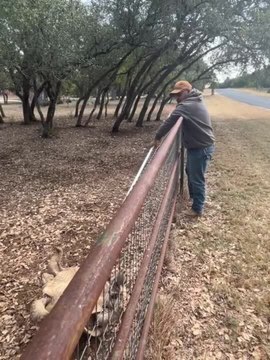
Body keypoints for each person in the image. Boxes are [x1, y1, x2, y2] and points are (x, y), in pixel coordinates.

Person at [154, 80, 215, 217]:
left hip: (201, 148)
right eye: (175, 95)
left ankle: (197, 209)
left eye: (179, 94)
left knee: (197, 178)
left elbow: (169, 122)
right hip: (201, 146)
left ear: (187, 92)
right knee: (190, 171)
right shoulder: (195, 100)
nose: (177, 97)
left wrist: (157, 137)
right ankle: (194, 199)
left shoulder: (186, 106)